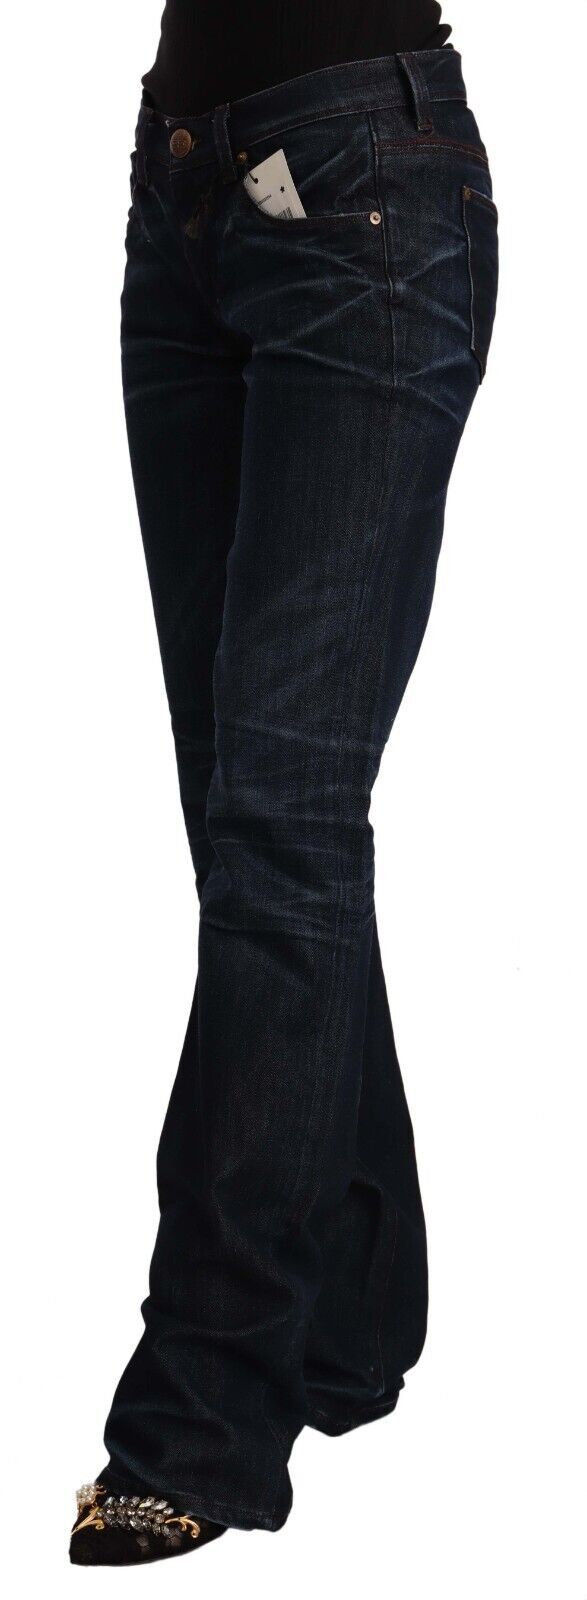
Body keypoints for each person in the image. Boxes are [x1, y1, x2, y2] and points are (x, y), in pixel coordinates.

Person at [70, 0, 498, 1566]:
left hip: (365, 201)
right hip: (179, 193)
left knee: (279, 822)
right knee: (251, 817)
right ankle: (349, 1313)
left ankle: (204, 1413)